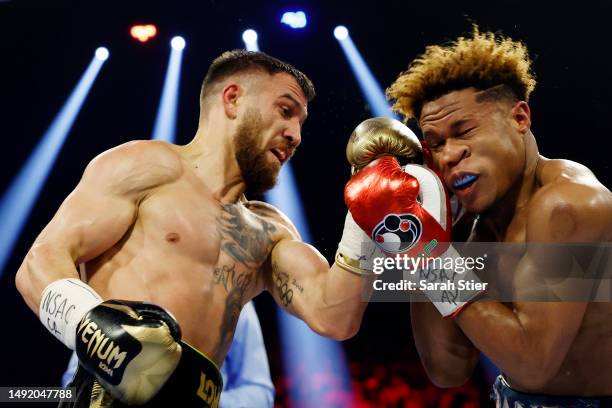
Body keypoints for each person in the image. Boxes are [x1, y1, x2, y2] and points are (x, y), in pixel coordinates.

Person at [14, 50, 376, 407]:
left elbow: (335, 317)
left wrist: (366, 220)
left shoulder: (270, 231)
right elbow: (39, 263)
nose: (295, 135)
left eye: (301, 123)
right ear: (232, 99)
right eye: (285, 111)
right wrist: (95, 330)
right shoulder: (147, 167)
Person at [349, 27, 612, 406]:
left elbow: (533, 364)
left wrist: (428, 254)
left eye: (464, 131)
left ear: (520, 117)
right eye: (435, 144)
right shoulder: (471, 228)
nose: (449, 155)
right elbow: (446, 369)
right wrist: (418, 231)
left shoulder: (567, 205)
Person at [60, 302, 274, 407]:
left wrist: (194, 399)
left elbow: (260, 392)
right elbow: (73, 378)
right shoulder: (119, 291)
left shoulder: (235, 299)